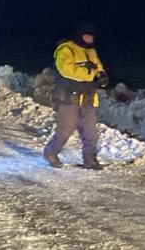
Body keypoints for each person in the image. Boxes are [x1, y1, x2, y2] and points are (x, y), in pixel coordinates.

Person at [43, 22, 108, 170]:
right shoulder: (65, 49)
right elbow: (66, 70)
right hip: (68, 97)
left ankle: (90, 160)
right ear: (79, 36)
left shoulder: (92, 52)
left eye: (91, 37)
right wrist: (91, 75)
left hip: (88, 97)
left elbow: (98, 68)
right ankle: (50, 152)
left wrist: (102, 76)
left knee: (90, 132)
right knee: (66, 129)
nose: (89, 39)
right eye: (86, 36)